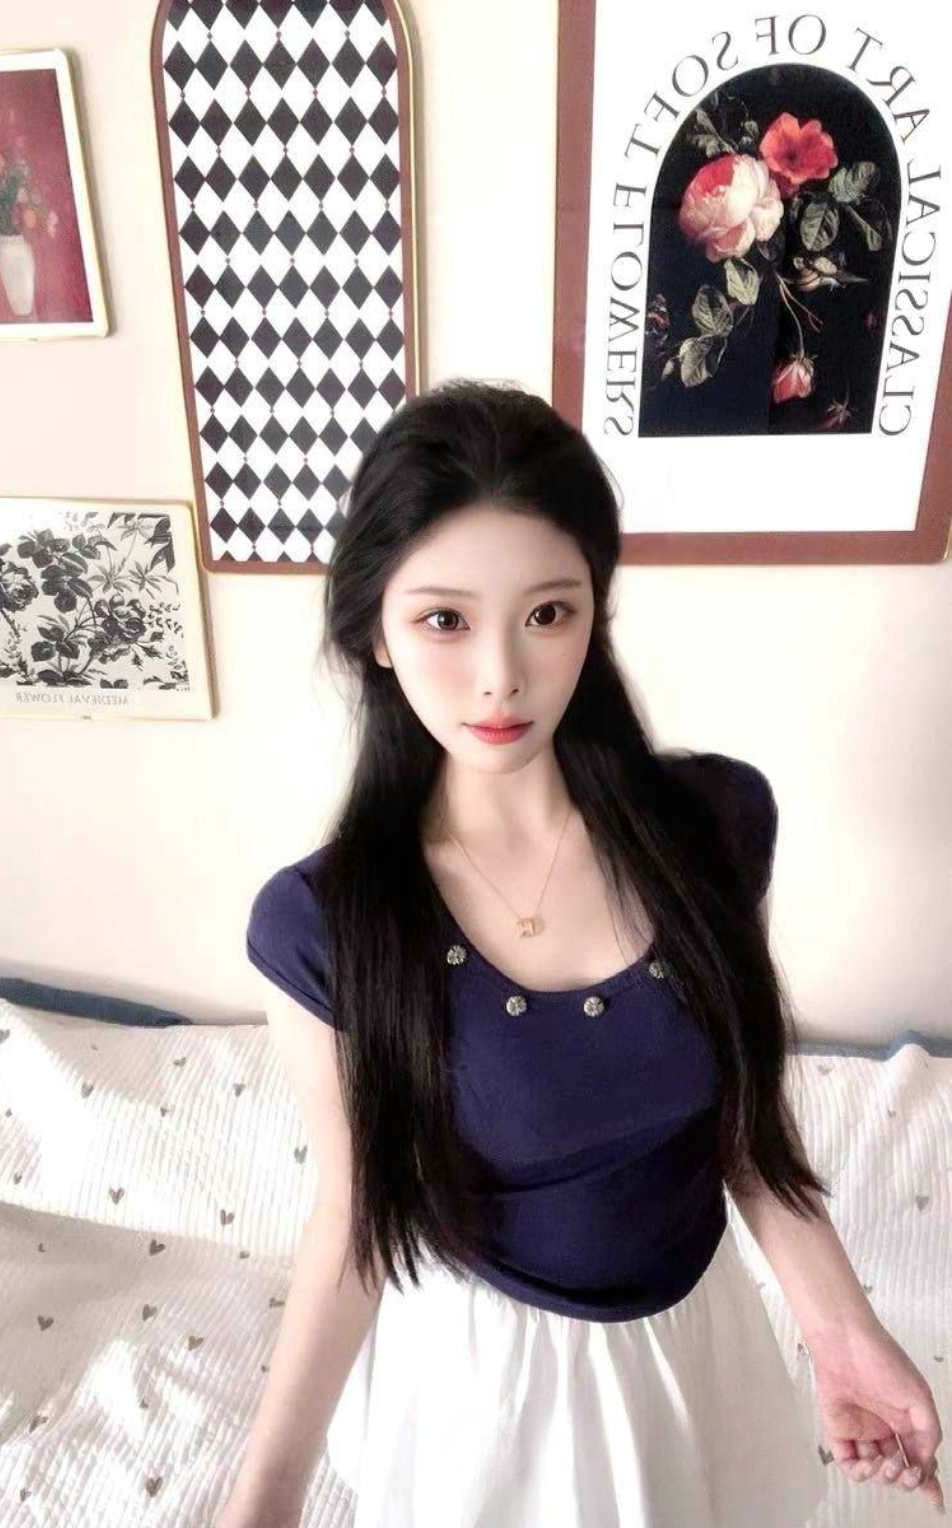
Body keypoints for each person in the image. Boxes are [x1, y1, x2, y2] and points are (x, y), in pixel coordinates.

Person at [219, 379, 944, 1528]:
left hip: (694, 1337)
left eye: (547, 613)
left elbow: (743, 1123)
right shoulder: (325, 923)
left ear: (593, 614)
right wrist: (264, 1495)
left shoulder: (712, 827)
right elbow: (356, 1215)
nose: (501, 675)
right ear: (372, 631)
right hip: (488, 1379)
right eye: (444, 620)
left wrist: (840, 1332)